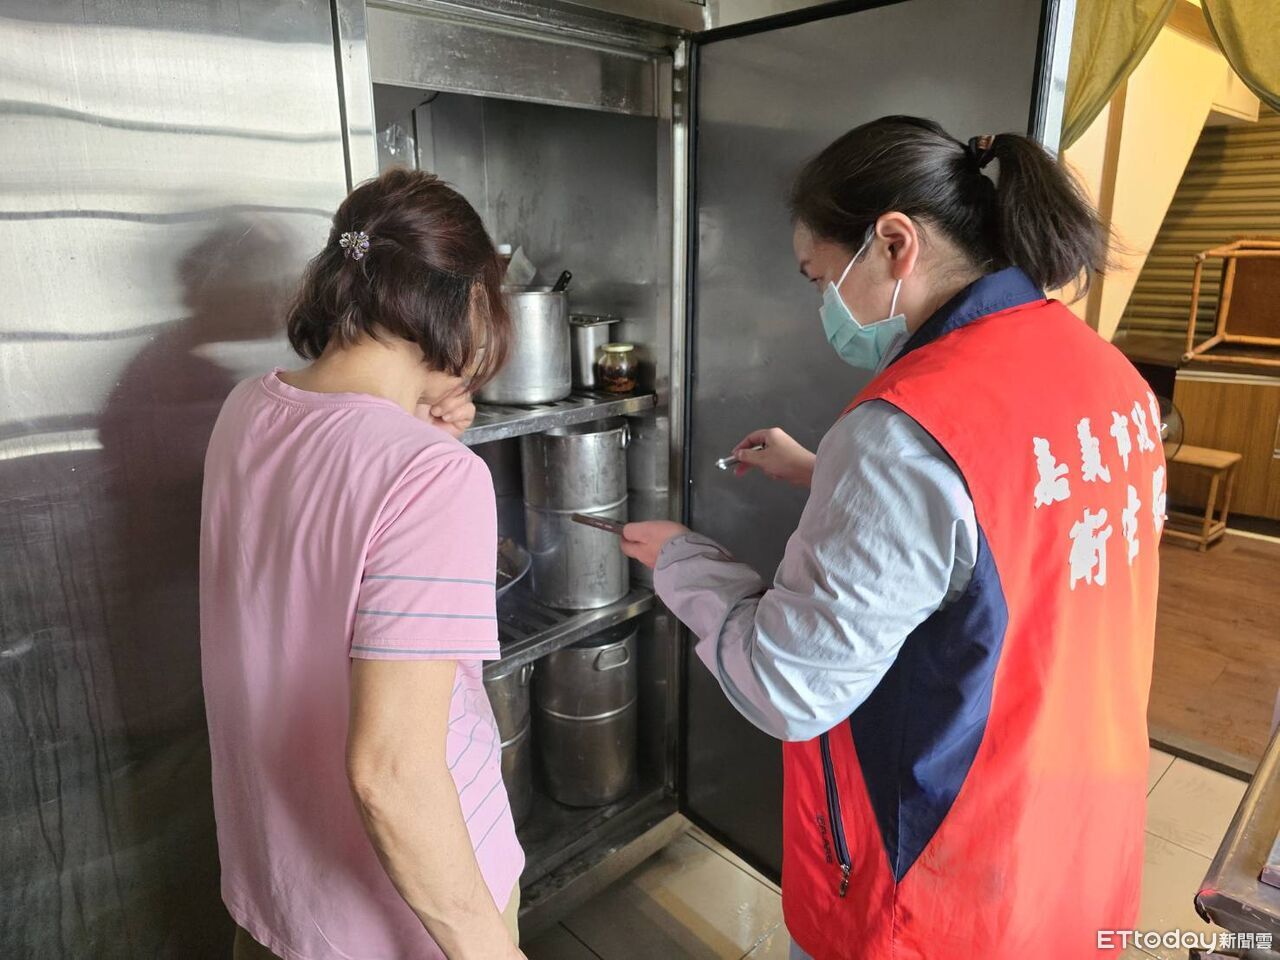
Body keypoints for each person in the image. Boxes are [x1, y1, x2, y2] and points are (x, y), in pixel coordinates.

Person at [622, 117, 1162, 960]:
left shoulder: (902, 436)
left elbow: (789, 686)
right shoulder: (1109, 375)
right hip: (1074, 831)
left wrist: (682, 563)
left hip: (943, 880)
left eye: (819, 276)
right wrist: (824, 473)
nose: (821, 303)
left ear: (895, 242)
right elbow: (1012, 527)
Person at [200, 168, 526, 960]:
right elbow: (391, 775)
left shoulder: (248, 404)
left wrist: (419, 425)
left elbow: (320, 544)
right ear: (468, 303)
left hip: (275, 889)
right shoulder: (432, 477)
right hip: (396, 914)